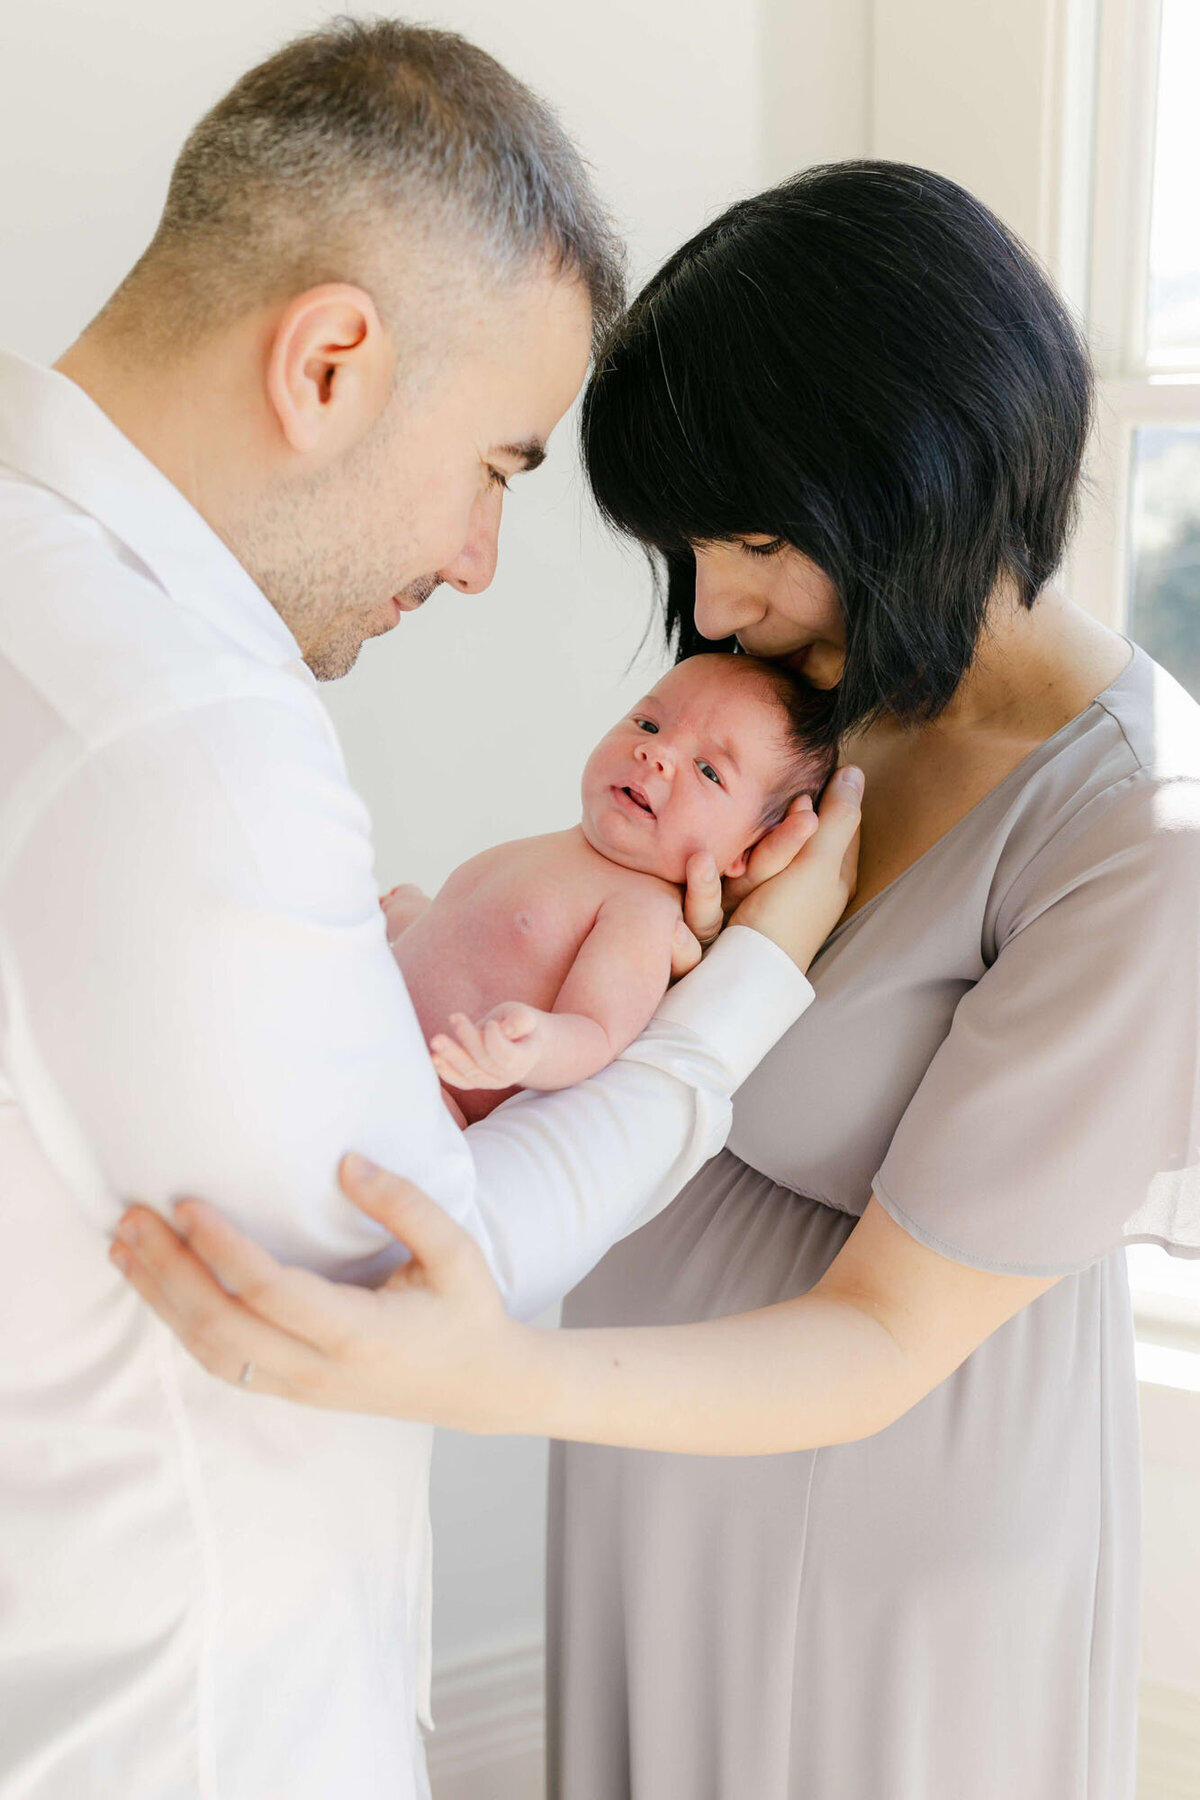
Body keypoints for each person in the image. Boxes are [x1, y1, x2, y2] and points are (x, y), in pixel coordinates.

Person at [114, 163, 1200, 1800]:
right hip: (660, 1485)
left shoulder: (1141, 839)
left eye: (753, 541)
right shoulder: (809, 700)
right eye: (691, 545)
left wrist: (488, 1370)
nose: (709, 604)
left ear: (923, 482)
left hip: (888, 1551)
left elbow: (886, 1336)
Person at [0, 25, 863, 1800]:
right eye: (497, 467)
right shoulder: (191, 742)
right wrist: (753, 982)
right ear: (330, 362)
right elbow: (429, 1270)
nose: (477, 562)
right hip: (187, 1731)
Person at [391, 652, 836, 1123]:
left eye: (708, 770)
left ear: (745, 852)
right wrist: (416, 916)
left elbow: (595, 1029)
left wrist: (534, 1046)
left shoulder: (642, 909)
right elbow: (477, 939)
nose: (657, 753)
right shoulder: (565, 848)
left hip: (426, 1097)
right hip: (360, 1026)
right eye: (647, 724)